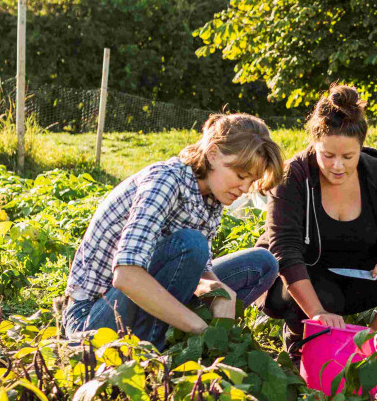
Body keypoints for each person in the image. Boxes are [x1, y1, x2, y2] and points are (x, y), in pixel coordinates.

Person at [62, 113, 284, 349]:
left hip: (145, 300)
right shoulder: (165, 181)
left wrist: (217, 290)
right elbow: (126, 276)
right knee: (190, 244)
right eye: (241, 175)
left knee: (263, 263)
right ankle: (156, 350)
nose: (245, 188)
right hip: (94, 319)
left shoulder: (212, 196)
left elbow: (200, 267)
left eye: (251, 180)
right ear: (213, 154)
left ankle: (177, 340)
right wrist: (198, 326)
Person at [257, 83, 377, 352]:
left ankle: (371, 343)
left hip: (356, 275)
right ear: (314, 145)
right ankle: (300, 342)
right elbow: (285, 251)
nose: (337, 165)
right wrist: (317, 312)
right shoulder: (294, 177)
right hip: (300, 279)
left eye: (348, 156)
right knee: (325, 300)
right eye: (328, 155)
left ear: (361, 148)